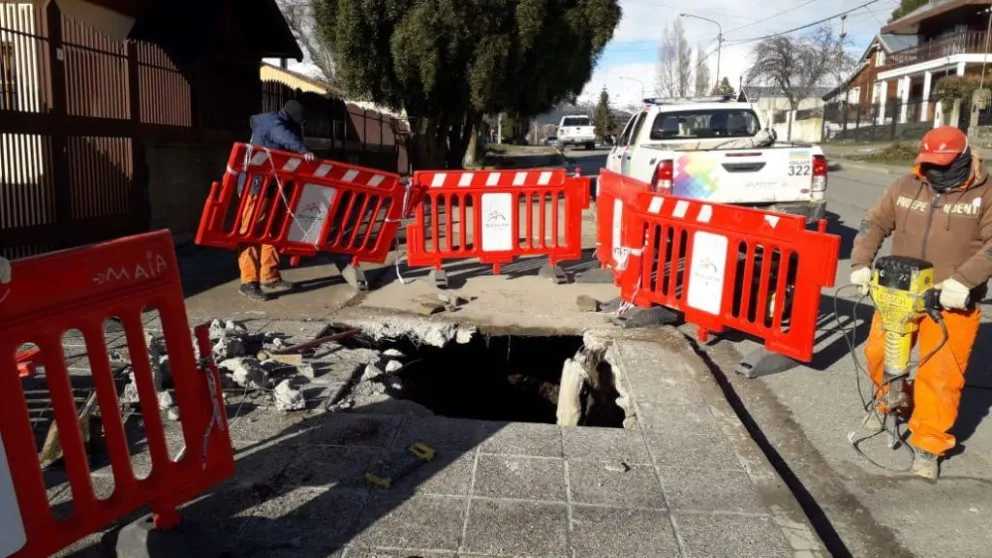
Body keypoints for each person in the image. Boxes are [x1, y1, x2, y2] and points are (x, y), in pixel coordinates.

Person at [850, 125, 992, 480]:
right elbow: (874, 222)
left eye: (943, 164)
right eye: (929, 163)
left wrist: (963, 281)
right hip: (899, 294)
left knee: (940, 375)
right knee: (878, 355)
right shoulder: (905, 186)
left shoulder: (985, 194)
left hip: (950, 301)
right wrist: (860, 264)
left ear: (962, 158)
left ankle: (929, 443)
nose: (935, 172)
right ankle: (892, 404)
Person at [237, 100, 316, 302]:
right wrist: (302, 150)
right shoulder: (274, 123)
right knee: (250, 233)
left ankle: (269, 276)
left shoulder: (276, 121)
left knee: (270, 231)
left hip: (269, 186)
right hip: (255, 187)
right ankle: (248, 282)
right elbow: (283, 136)